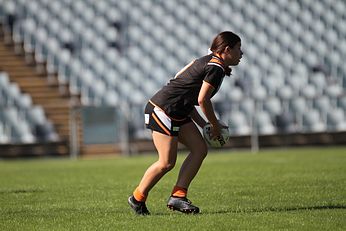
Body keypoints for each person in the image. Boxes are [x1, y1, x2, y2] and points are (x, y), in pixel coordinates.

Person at [128, 31, 243, 215]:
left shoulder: (207, 62)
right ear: (227, 49)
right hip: (163, 110)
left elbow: (187, 95)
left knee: (199, 149)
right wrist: (213, 125)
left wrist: (205, 124)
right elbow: (203, 100)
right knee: (166, 162)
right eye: (238, 48)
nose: (241, 53)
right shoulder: (215, 68)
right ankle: (137, 198)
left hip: (177, 111)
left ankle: (178, 197)